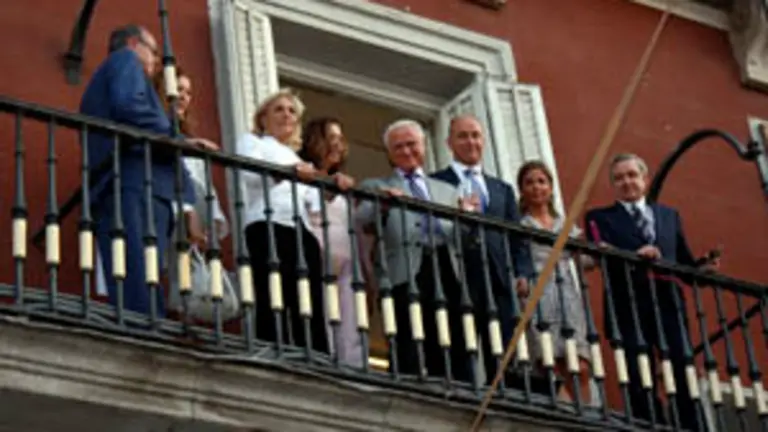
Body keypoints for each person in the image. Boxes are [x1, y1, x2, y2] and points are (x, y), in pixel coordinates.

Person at [81, 24, 208, 317]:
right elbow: (129, 106)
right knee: (137, 267)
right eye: (154, 53)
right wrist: (175, 139)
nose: (155, 63)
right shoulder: (125, 61)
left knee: (139, 268)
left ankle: (146, 322)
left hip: (138, 184)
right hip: (135, 182)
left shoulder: (117, 72)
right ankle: (146, 327)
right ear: (134, 43)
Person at [585, 153, 718, 430]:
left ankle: (691, 425)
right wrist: (635, 254)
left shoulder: (668, 215)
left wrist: (702, 268)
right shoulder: (599, 217)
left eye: (632, 175)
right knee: (637, 370)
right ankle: (648, 425)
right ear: (613, 185)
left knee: (682, 365)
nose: (626, 182)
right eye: (619, 178)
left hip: (668, 302)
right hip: (627, 303)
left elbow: (683, 261)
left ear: (645, 179)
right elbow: (601, 252)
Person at [355, 119, 475, 382]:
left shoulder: (448, 190)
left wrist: (467, 217)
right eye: (398, 147)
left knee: (452, 335)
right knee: (407, 336)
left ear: (423, 147)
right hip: (404, 271)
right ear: (389, 153)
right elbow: (361, 219)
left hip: (446, 267)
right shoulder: (376, 185)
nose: (407, 151)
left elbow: (463, 238)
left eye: (412, 144)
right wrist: (383, 205)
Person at [236, 88, 350, 354]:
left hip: (301, 230)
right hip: (268, 224)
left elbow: (314, 201)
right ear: (263, 118)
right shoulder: (254, 143)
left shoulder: (298, 159)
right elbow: (250, 175)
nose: (287, 115)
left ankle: (313, 355)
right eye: (279, 109)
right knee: (271, 293)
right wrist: (288, 174)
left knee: (308, 300)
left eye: (292, 111)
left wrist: (334, 186)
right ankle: (271, 350)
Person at [430, 114, 534, 384]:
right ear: (449, 142)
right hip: (457, 275)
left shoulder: (502, 189)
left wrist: (522, 272)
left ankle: (500, 396)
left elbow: (517, 238)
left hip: (498, 278)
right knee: (461, 344)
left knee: (501, 348)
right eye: (463, 136)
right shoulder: (435, 182)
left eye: (475, 135)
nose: (471, 142)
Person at [152, 66, 231, 313]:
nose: (184, 96)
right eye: (179, 89)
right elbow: (167, 173)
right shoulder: (155, 128)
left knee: (185, 283)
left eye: (188, 92)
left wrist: (211, 226)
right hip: (167, 212)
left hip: (191, 222)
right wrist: (188, 210)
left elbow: (204, 186)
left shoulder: (192, 139)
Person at [517, 160, 593, 402]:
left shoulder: (565, 225)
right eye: (529, 182)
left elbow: (585, 261)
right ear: (522, 190)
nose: (536, 187)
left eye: (541, 181)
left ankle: (586, 414)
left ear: (550, 187)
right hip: (538, 295)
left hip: (567, 295)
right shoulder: (520, 225)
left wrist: (600, 248)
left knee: (579, 364)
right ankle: (566, 413)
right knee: (551, 364)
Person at [298, 117, 363, 367]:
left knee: (350, 323)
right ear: (315, 141)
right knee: (322, 317)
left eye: (340, 139)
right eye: (331, 138)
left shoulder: (343, 185)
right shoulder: (303, 174)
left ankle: (353, 369)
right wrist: (331, 188)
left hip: (346, 265)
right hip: (318, 258)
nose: (338, 145)